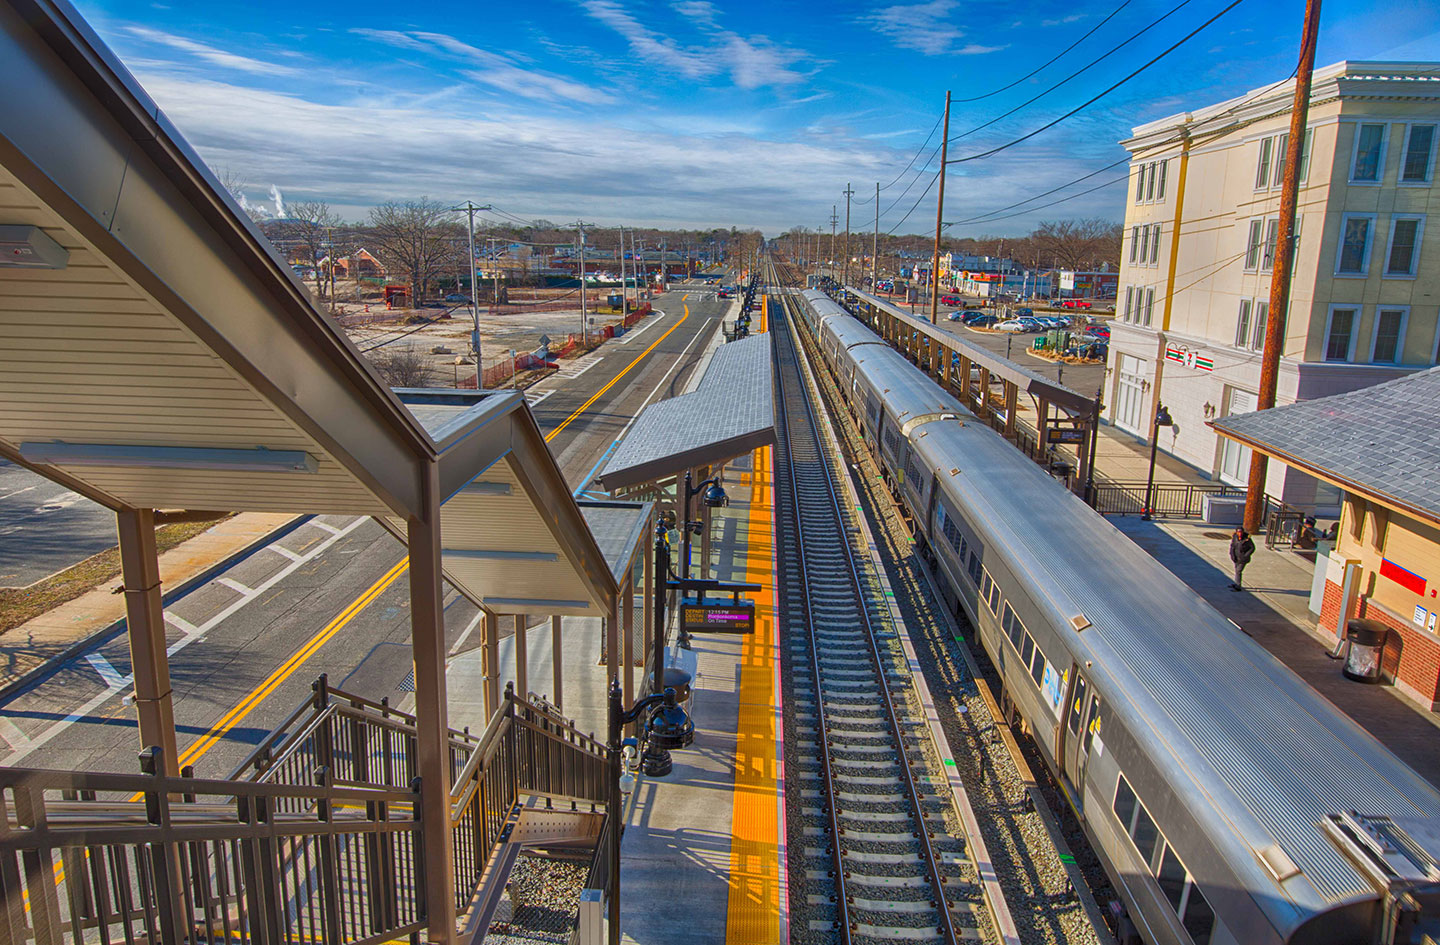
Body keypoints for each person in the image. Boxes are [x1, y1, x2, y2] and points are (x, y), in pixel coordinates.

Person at [1229, 527, 1255, 591]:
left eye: (1241, 532)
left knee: (1238, 571)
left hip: (1243, 559)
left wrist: (1246, 555)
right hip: (1236, 557)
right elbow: (1232, 546)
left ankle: (1238, 586)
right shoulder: (1235, 537)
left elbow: (1252, 548)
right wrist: (1232, 555)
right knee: (1236, 570)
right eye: (1238, 532)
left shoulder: (1247, 539)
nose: (1240, 534)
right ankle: (1236, 583)